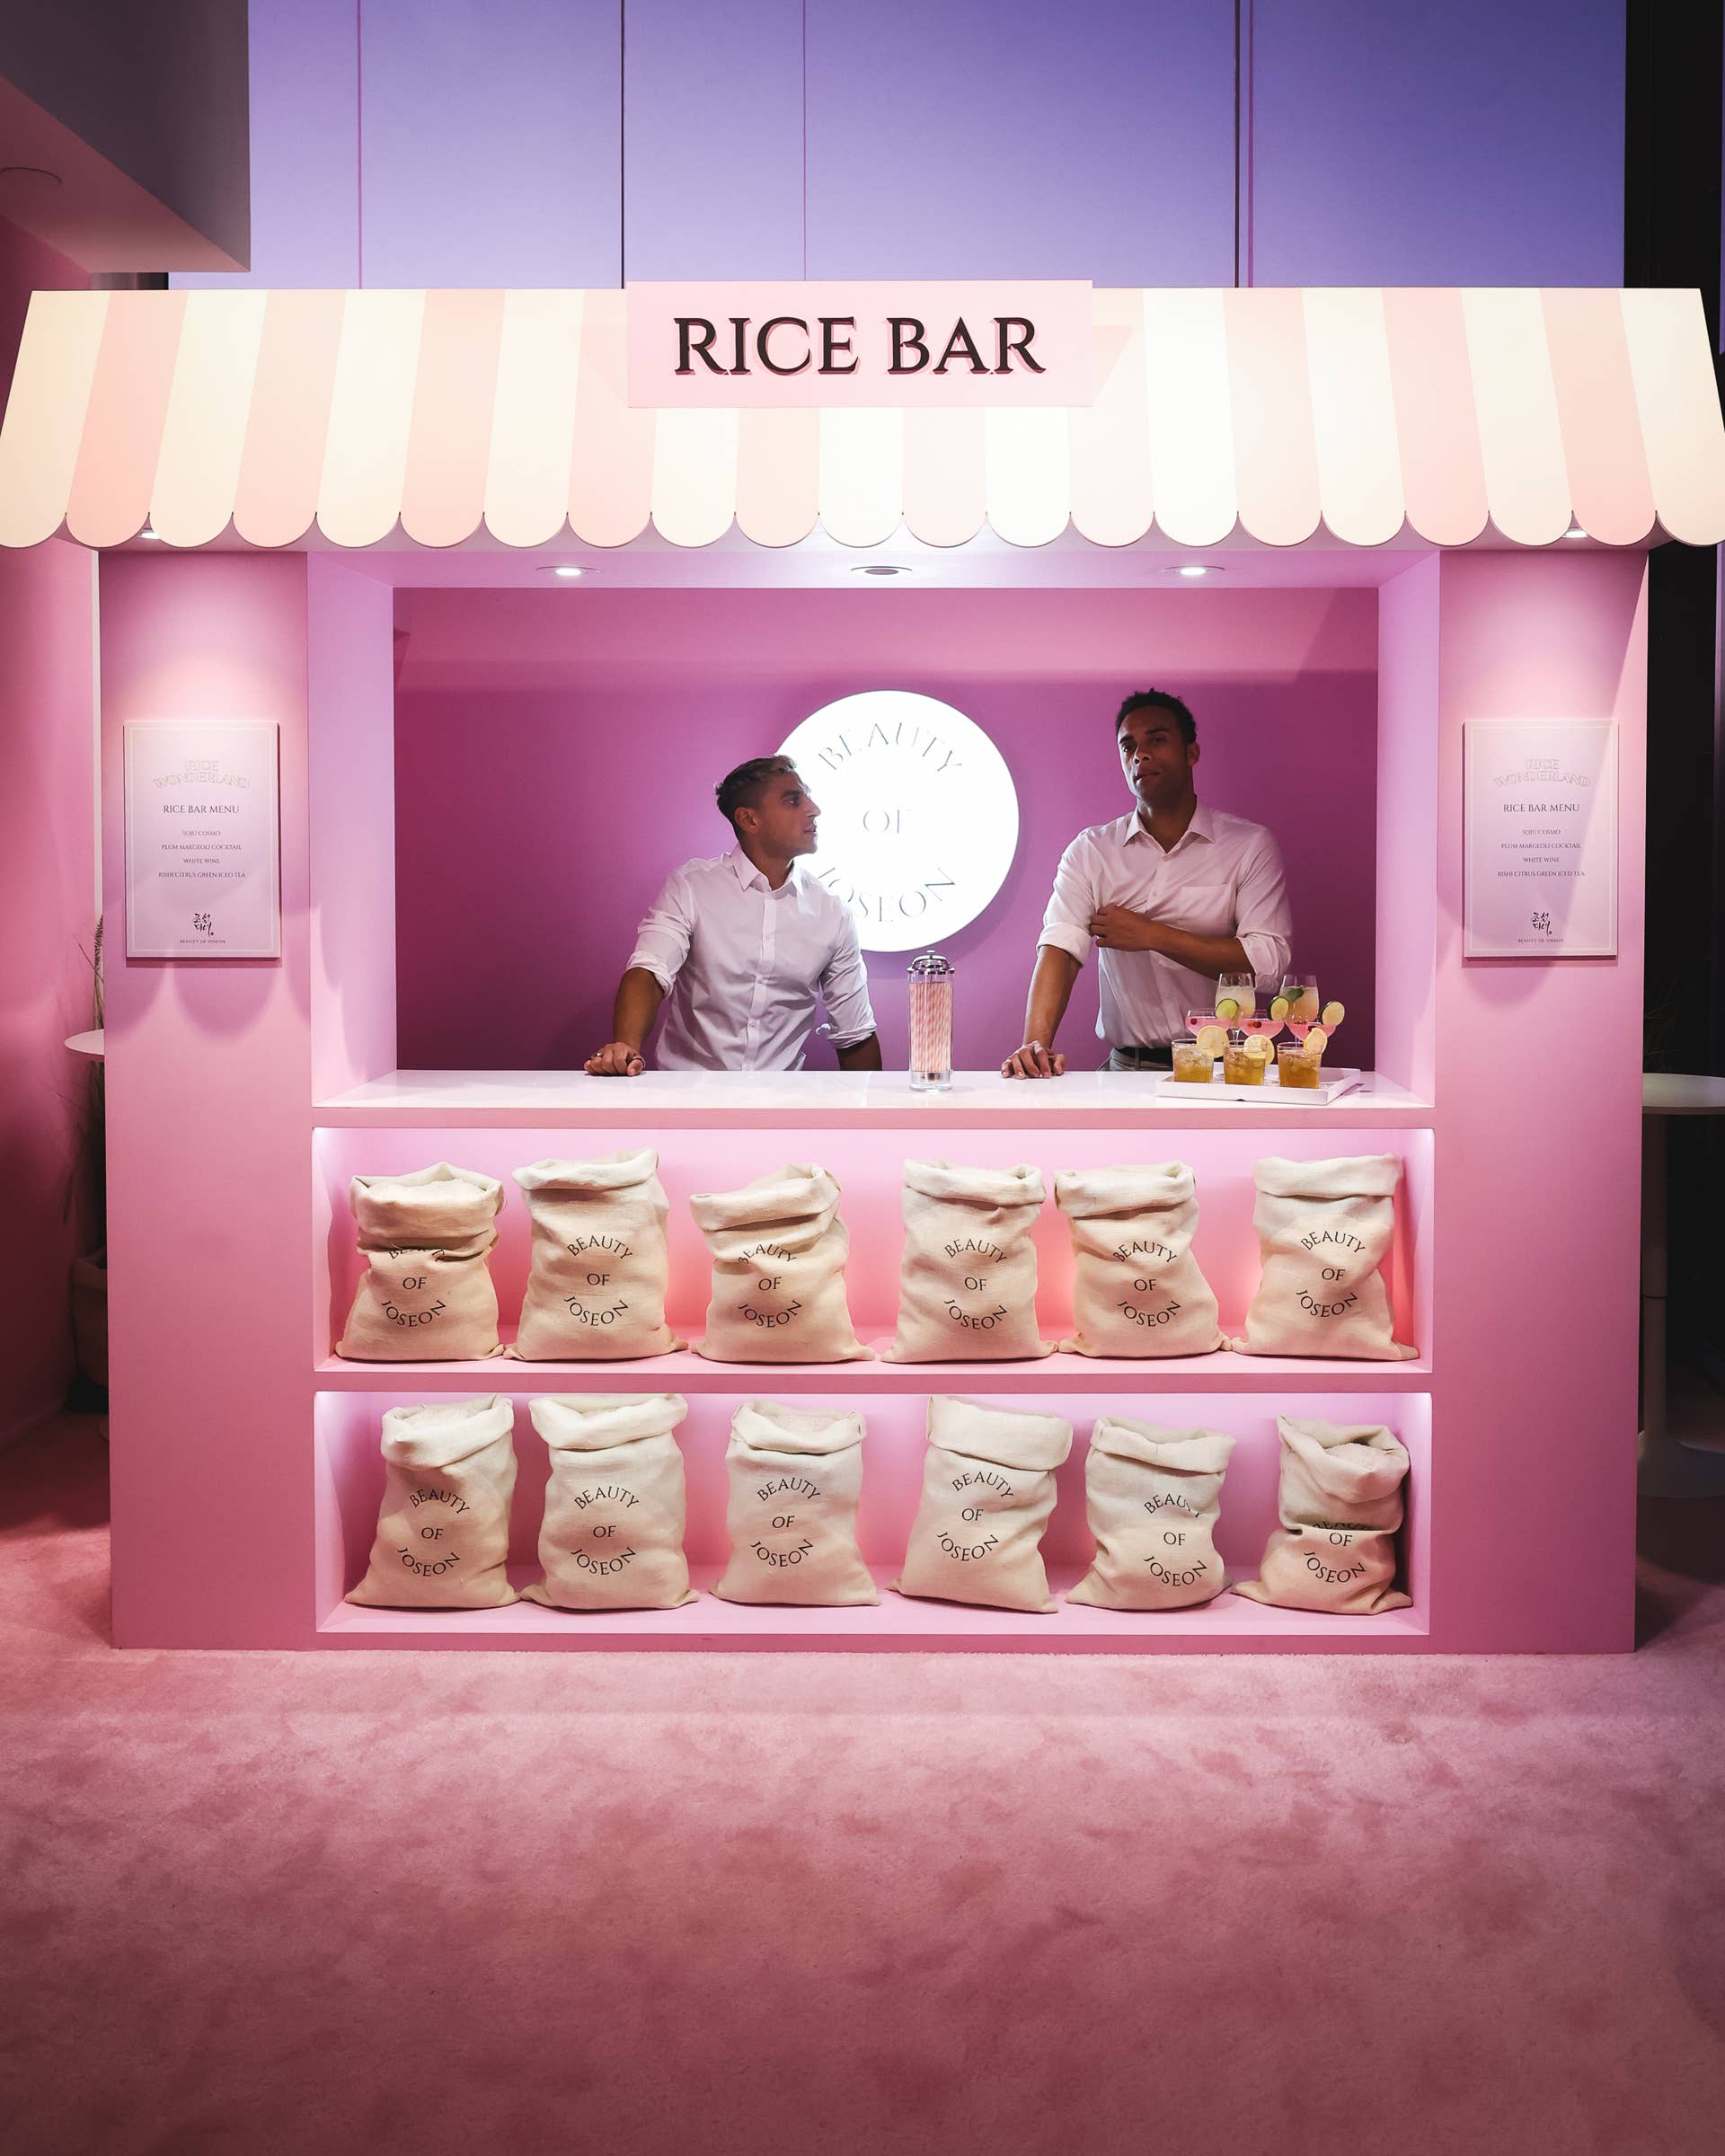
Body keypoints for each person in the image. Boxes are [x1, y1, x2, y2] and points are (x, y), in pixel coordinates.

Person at [1003, 688, 1292, 1077]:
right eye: (1128, 747)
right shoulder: (1092, 851)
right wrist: (1034, 1044)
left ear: (1191, 753)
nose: (1140, 755)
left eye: (1156, 740)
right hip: (1126, 1072)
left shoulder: (1248, 845)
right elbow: (1061, 947)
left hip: (1225, 1072)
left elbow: (1268, 962)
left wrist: (1154, 935)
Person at [586, 754, 882, 1075]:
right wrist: (626, 1045)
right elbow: (649, 970)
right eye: (793, 800)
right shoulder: (691, 887)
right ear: (749, 820)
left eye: (807, 797)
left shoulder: (832, 912)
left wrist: (872, 1106)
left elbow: (855, 1034)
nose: (813, 809)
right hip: (688, 1095)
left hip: (782, 1100)